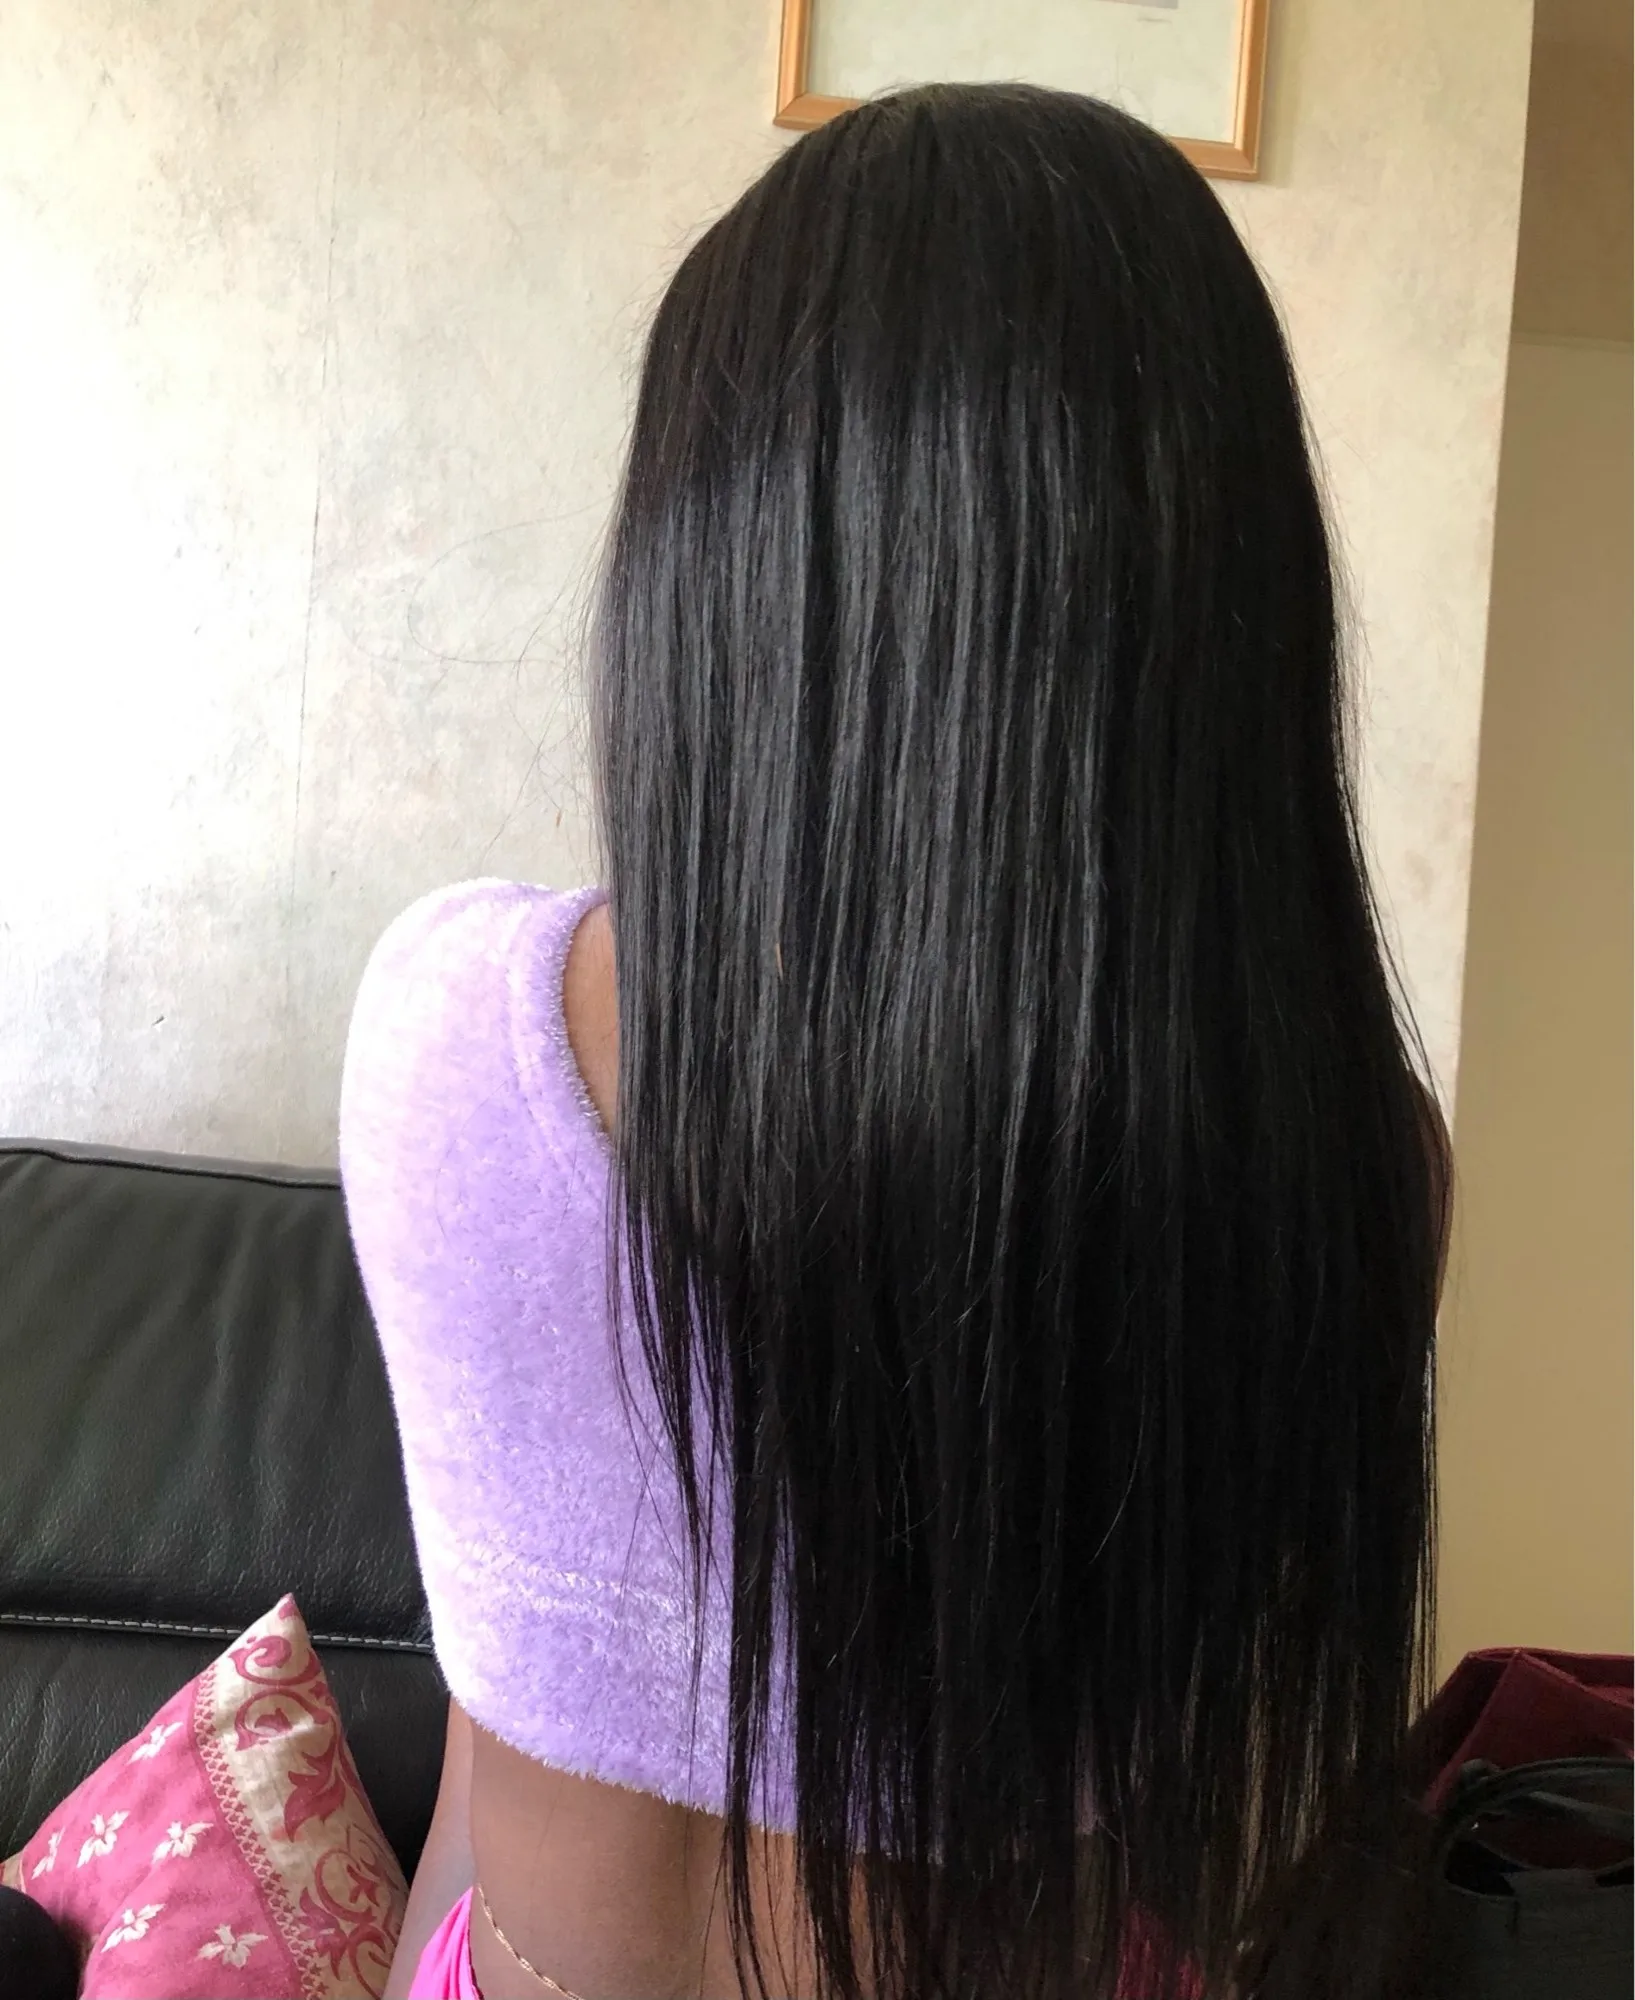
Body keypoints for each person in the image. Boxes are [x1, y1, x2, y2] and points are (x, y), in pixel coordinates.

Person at [340, 83, 1449, 2000]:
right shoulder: (1357, 1168)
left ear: (714, 567)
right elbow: (1226, 1813)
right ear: (1217, 598)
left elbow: (490, 1710)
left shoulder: (456, 1031)